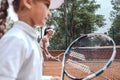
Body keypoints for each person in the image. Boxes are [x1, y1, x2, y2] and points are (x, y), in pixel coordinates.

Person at [0, 0, 64, 80]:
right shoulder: (16, 39)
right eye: (47, 5)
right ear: (28, 2)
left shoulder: (28, 39)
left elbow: (28, 77)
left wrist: (50, 79)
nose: (49, 13)